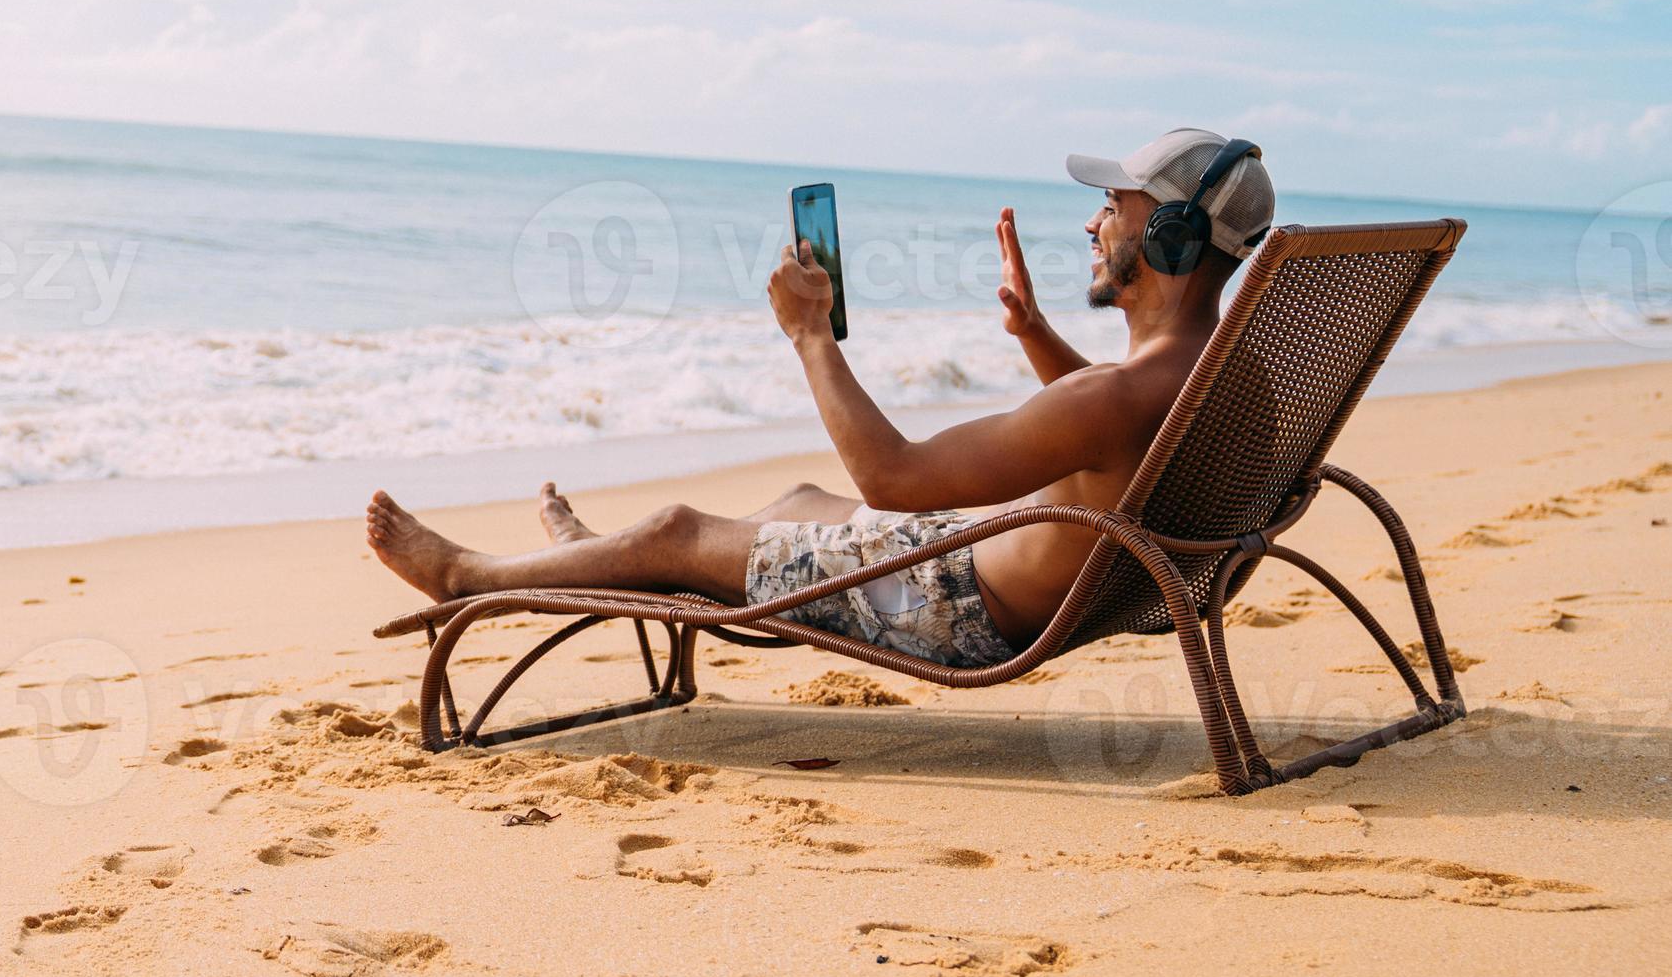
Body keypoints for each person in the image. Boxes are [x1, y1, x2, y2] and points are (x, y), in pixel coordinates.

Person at [366, 130, 1277, 668]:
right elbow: (1123, 449)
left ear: (1167, 234)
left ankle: (469, 576)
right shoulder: (1224, 379)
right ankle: (599, 560)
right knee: (799, 506)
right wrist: (1037, 336)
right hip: (1002, 573)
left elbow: (891, 477)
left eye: (1111, 206)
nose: (1092, 222)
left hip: (949, 603)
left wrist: (809, 333)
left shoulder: (1115, 393)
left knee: (677, 530)